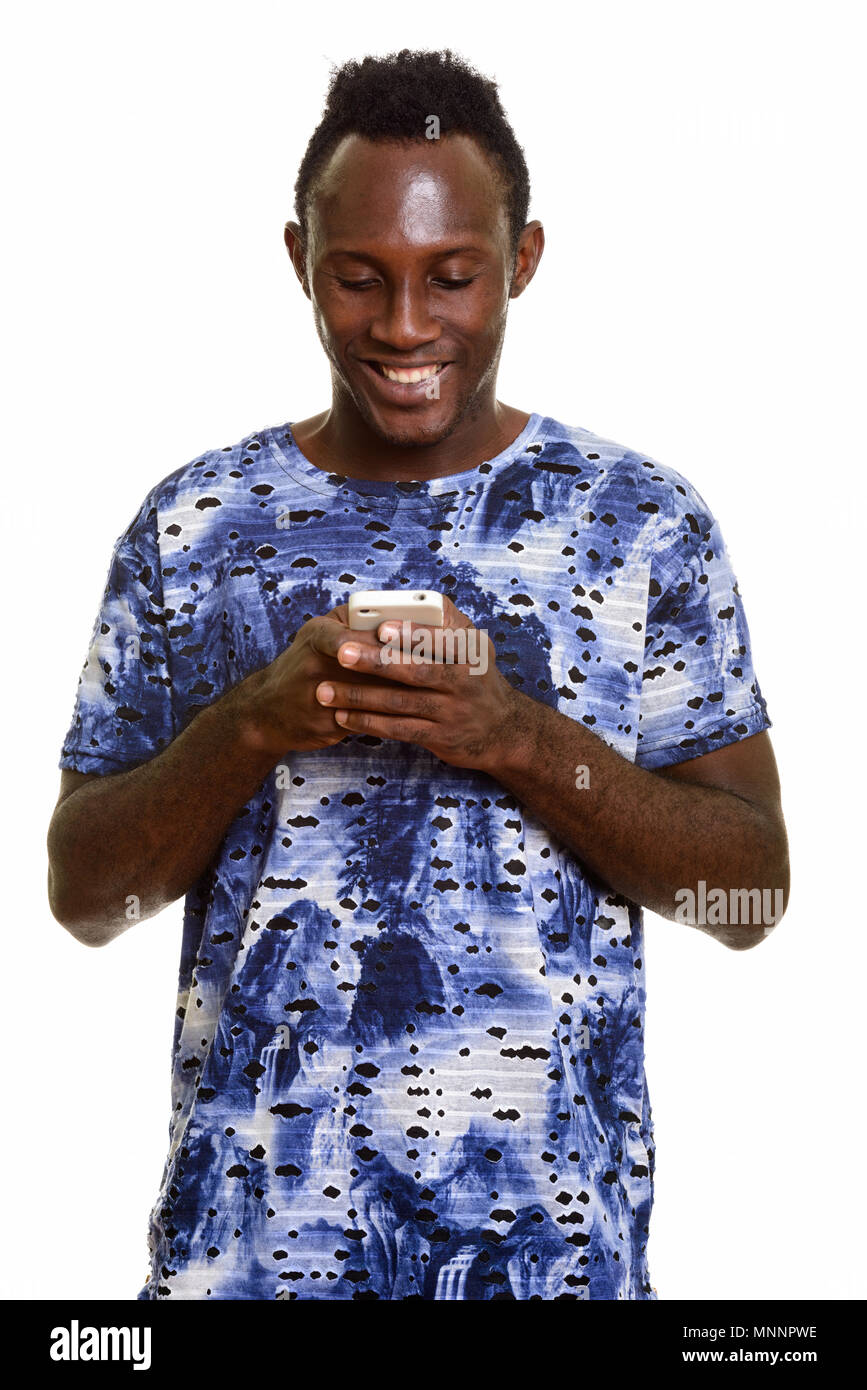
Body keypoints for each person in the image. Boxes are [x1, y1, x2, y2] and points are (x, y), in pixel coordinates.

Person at [47, 48, 789, 1301]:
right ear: (299, 260)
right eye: (359, 278)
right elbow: (88, 902)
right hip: (251, 1263)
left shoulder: (640, 524)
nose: (404, 327)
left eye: (454, 276)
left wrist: (516, 737)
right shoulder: (194, 525)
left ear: (525, 262)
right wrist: (252, 726)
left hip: (553, 1268)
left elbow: (749, 905)